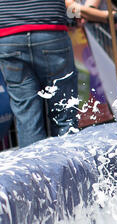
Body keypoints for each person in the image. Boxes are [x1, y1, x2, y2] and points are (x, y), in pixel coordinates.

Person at [0, 0, 78, 148]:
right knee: (64, 112)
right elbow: (72, 5)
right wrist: (75, 18)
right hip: (50, 30)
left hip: (8, 34)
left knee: (27, 117)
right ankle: (71, 167)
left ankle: (35, 170)